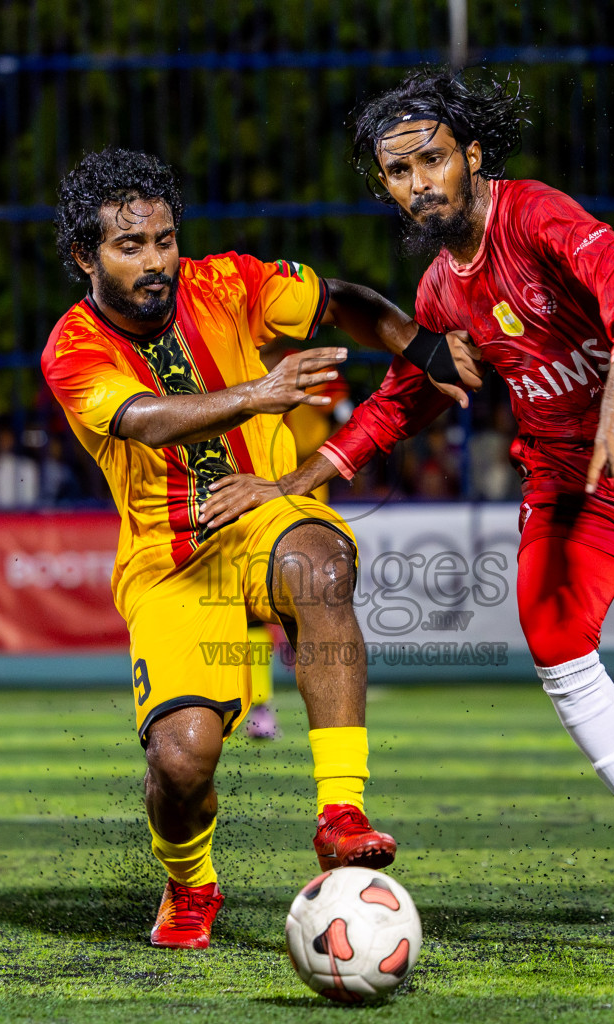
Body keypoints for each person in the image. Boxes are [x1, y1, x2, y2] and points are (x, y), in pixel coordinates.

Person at [201, 67, 614, 918]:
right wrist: (296, 481)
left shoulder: (535, 215)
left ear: (474, 156)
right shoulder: (439, 290)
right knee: (555, 640)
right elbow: (400, 402)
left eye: (433, 160)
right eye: (399, 171)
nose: (419, 183)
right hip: (568, 485)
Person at [42, 148, 480, 949]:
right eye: (130, 246)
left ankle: (341, 813)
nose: (155, 261)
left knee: (319, 563)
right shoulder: (72, 348)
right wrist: (259, 393)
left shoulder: (227, 283)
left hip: (262, 512)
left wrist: (422, 348)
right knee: (183, 762)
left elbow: (342, 300)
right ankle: (190, 883)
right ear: (84, 257)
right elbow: (145, 419)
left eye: (165, 240)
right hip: (170, 561)